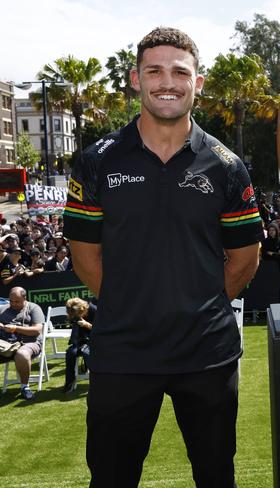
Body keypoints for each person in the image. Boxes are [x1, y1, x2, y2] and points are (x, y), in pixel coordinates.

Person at [63, 26, 263, 488]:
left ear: (198, 81)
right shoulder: (97, 160)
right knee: (111, 480)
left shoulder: (227, 165)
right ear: (135, 79)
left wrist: (199, 308)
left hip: (207, 354)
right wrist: (134, 304)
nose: (166, 81)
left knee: (217, 477)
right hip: (122, 352)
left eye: (179, 71)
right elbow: (85, 256)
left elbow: (245, 260)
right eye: (154, 70)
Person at [0, 287, 45, 400]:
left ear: (25, 298)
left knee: (22, 354)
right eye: (11, 301)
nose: (13, 304)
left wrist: (16, 328)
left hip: (30, 342)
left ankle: (25, 387)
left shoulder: (33, 308)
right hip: (6, 344)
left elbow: (37, 330)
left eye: (17, 301)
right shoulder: (3, 309)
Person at [63, 297, 95, 393]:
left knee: (87, 353)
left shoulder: (94, 310)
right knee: (70, 353)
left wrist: (87, 325)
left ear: (83, 309)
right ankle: (70, 381)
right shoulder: (73, 312)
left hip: (95, 340)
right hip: (81, 340)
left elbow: (102, 330)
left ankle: (96, 382)